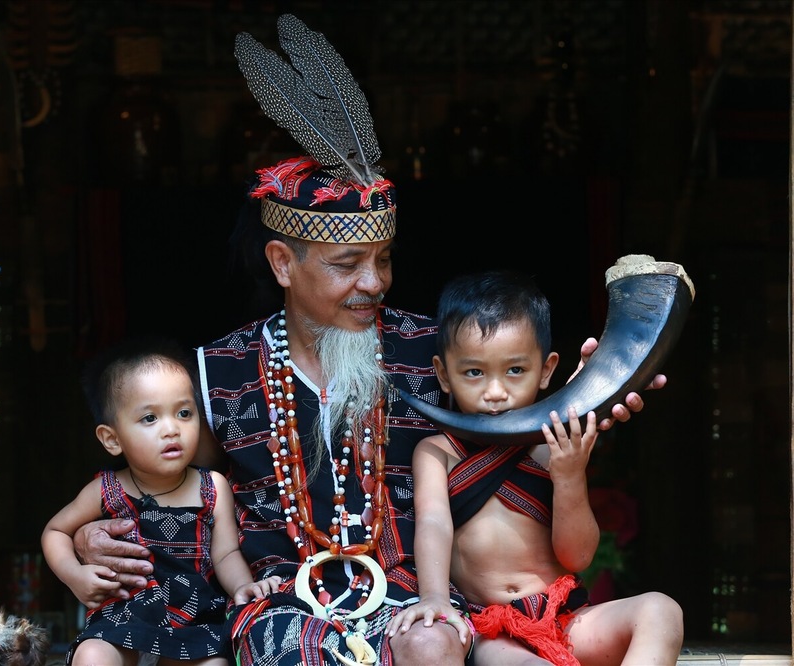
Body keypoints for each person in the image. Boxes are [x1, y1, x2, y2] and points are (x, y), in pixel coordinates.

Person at [68, 14, 666, 666]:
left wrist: (589, 396)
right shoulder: (219, 373)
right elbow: (170, 482)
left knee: (434, 645)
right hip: (282, 605)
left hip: (418, 599)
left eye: (383, 259)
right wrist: (98, 533)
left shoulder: (437, 355)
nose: (373, 282)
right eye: (347, 263)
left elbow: (516, 408)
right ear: (282, 264)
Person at [385, 270, 684, 665]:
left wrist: (570, 476)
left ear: (546, 370)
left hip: (567, 617)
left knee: (662, 610)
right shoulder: (436, 452)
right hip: (494, 629)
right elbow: (434, 525)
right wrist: (437, 598)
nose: (495, 392)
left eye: (515, 371)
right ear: (443, 373)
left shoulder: (555, 445)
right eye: (474, 372)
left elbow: (577, 558)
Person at [41, 338, 281, 666]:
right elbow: (55, 531)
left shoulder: (213, 488)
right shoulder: (106, 489)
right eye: (150, 419)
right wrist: (74, 576)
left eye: (184, 413)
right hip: (123, 618)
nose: (171, 429)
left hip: (193, 622)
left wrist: (242, 587)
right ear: (112, 439)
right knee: (92, 656)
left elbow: (225, 553)